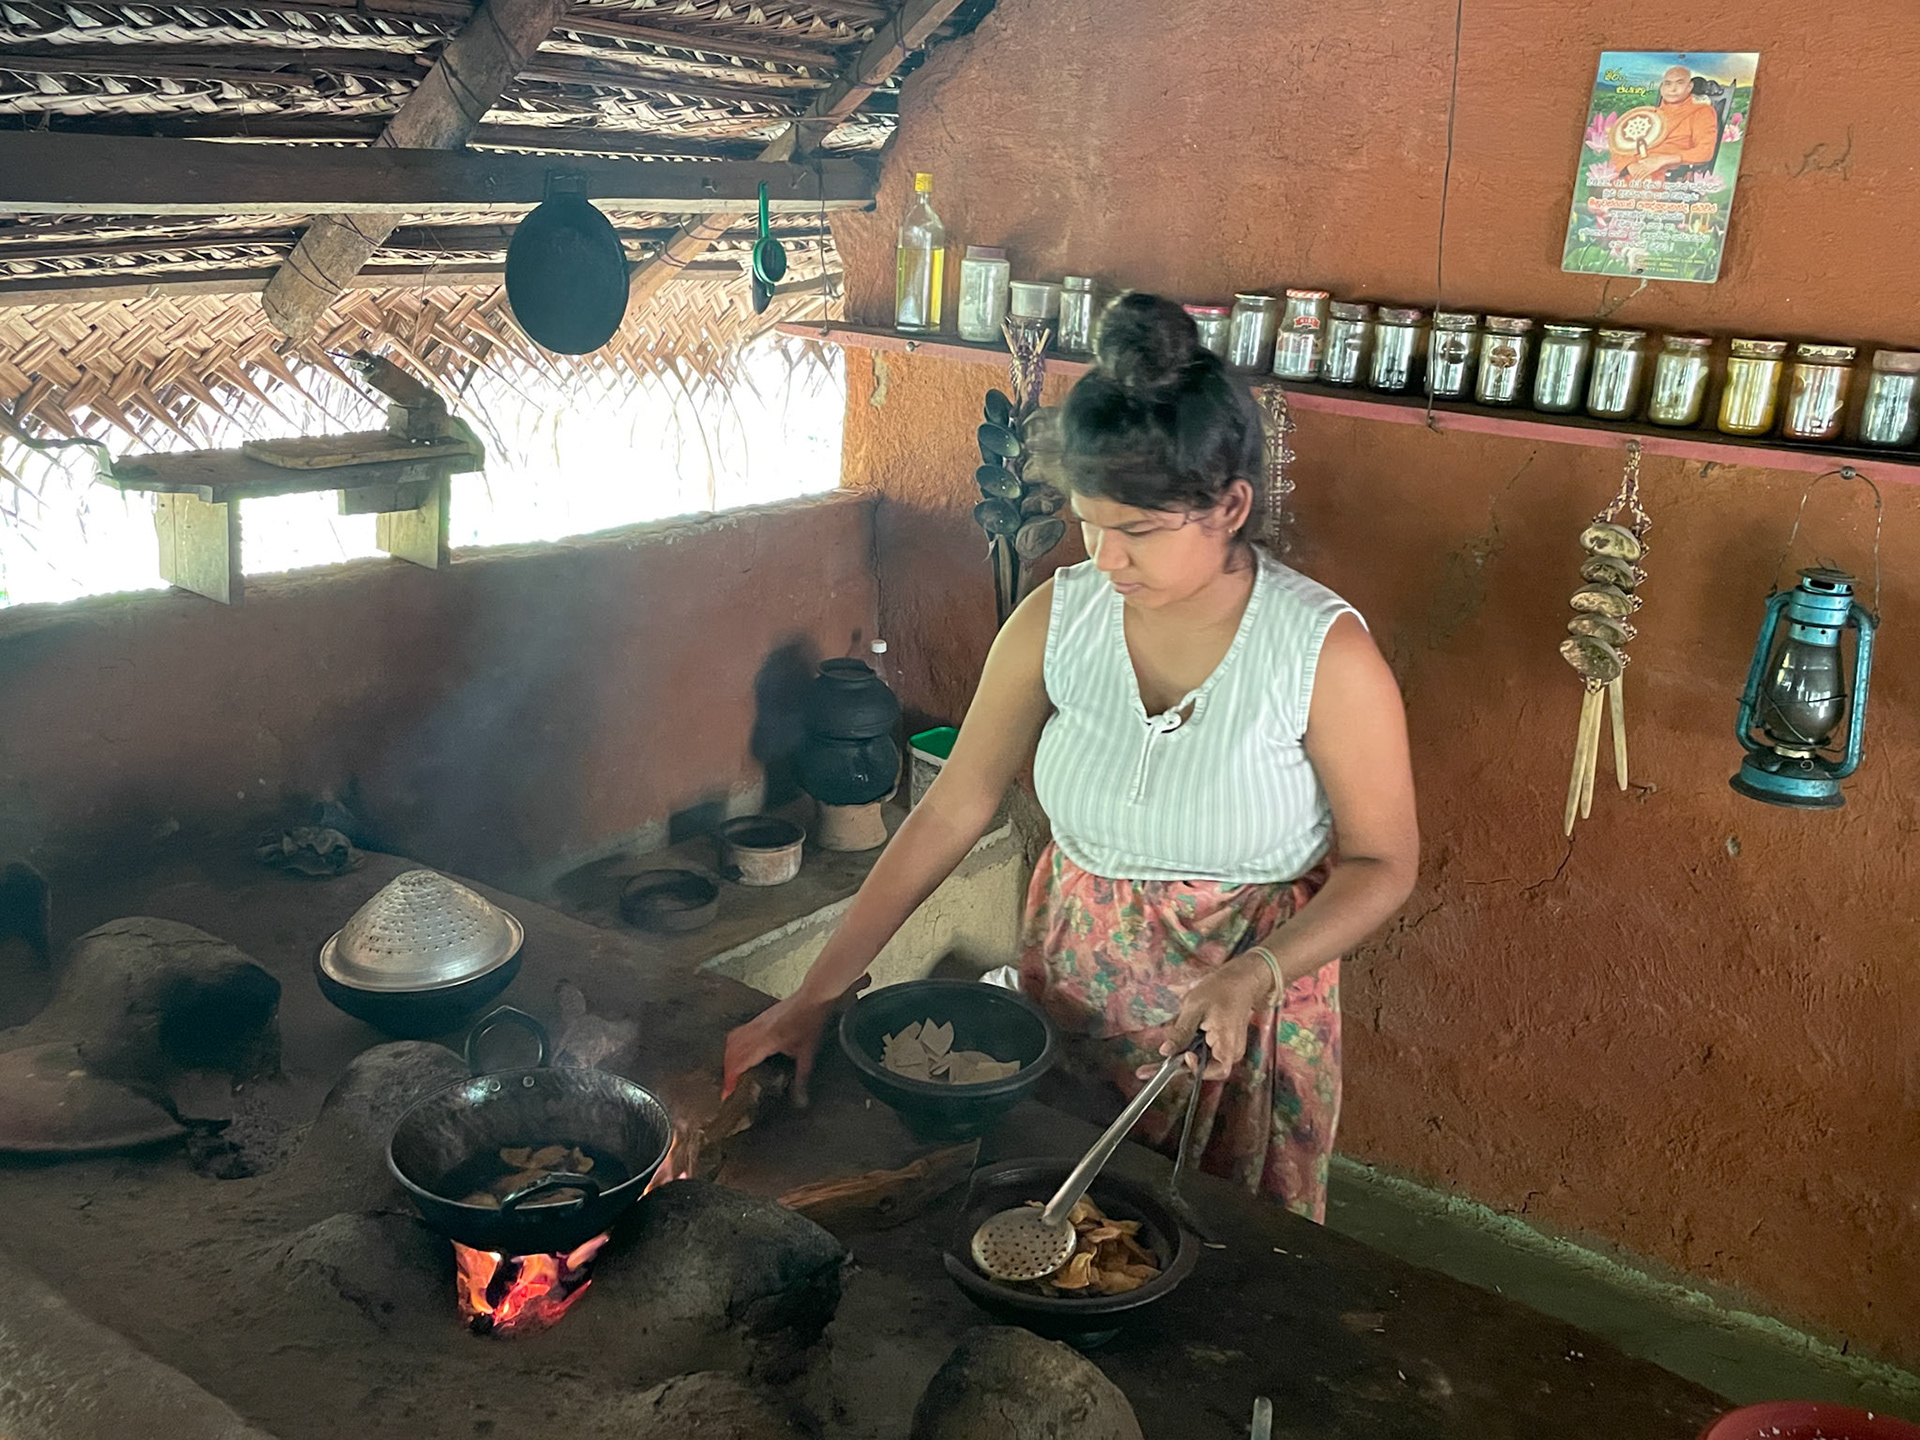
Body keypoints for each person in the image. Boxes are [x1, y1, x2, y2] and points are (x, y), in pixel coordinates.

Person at [723, 294, 1418, 1221]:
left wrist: (1254, 975)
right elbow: (951, 808)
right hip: (1071, 1002)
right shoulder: (1060, 617)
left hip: (1238, 1019)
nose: (1109, 558)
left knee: (1209, 1256)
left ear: (1230, 506)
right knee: (1062, 1224)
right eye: (1093, 523)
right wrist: (814, 993)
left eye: (1140, 530)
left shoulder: (1320, 653)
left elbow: (1384, 863)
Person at [1614, 65, 1719, 183]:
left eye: (1679, 83)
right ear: (1661, 88)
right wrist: (1630, 166)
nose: (1672, 89)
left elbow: (1705, 151)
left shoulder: (1702, 112)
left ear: (1689, 86)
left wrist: (1662, 160)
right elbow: (1618, 144)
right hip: (1635, 169)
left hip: (1667, 173)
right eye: (1668, 84)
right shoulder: (1652, 114)